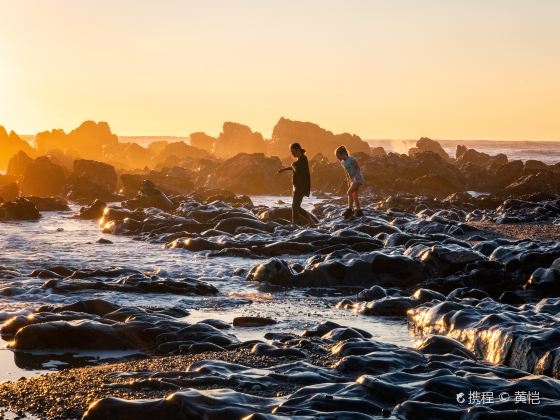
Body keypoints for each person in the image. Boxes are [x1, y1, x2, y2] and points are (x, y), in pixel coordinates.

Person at [278, 143, 318, 225]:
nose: (292, 154)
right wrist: (284, 169)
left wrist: (292, 165)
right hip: (297, 186)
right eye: (291, 152)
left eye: (293, 151)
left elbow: (297, 170)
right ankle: (296, 223)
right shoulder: (300, 159)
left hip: (301, 187)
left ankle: (311, 222)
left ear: (298, 150)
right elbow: (295, 167)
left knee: (295, 206)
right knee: (295, 206)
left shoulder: (303, 159)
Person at [335, 145, 364, 218]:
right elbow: (347, 173)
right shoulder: (343, 162)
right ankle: (359, 211)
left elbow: (358, 168)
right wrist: (349, 181)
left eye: (339, 156)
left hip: (358, 178)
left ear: (343, 153)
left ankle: (350, 209)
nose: (338, 158)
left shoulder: (351, 159)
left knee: (349, 192)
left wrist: (357, 176)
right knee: (354, 195)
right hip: (352, 180)